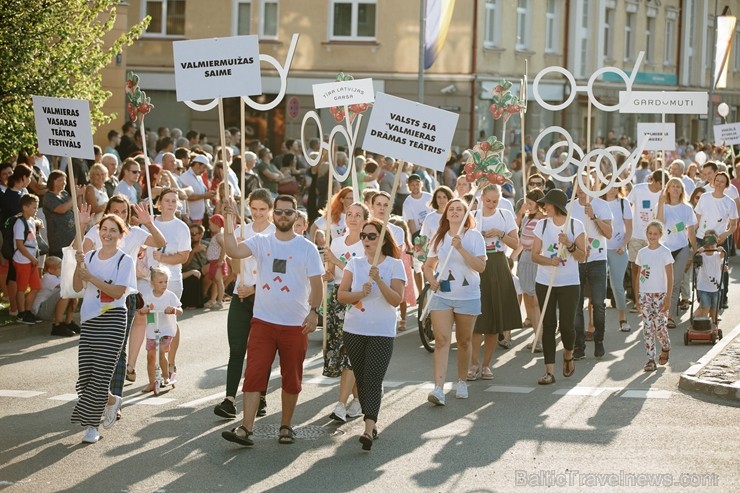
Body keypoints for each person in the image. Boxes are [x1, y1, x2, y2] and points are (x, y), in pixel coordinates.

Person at [221, 194, 323, 447]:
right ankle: (246, 428)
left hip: (294, 324)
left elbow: (317, 283)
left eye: (289, 213)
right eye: (279, 212)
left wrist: (314, 312)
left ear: (296, 215)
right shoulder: (261, 241)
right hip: (263, 322)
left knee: (291, 378)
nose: (283, 217)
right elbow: (233, 250)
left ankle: (286, 426)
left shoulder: (306, 247)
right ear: (272, 214)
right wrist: (228, 218)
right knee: (254, 374)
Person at [337, 219, 405, 451]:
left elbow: (397, 300)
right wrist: (359, 292)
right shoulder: (354, 264)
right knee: (363, 380)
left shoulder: (395, 265)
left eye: (371, 236)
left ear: (383, 239)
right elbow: (341, 296)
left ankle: (367, 429)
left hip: (381, 332)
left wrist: (378, 281)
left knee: (373, 380)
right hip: (354, 330)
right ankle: (372, 422)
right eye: (363, 236)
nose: (366, 240)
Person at [72, 214, 137, 444]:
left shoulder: (124, 260)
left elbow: (118, 292)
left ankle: (91, 426)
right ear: (99, 231)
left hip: (113, 319)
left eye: (113, 230)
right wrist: (79, 266)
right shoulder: (89, 256)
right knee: (86, 376)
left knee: (100, 376)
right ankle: (111, 400)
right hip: (90, 319)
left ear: (121, 235)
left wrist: (91, 276)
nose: (107, 234)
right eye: (104, 229)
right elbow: (77, 286)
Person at [213, 189, 275, 420]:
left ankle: (260, 396)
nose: (258, 214)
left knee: (261, 353)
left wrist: (255, 288)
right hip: (240, 296)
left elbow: (275, 272)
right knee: (237, 349)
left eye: (262, 209)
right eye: (254, 209)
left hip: (264, 299)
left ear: (269, 210)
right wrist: (229, 218)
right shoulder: (242, 231)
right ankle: (230, 399)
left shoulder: (275, 234)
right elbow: (231, 251)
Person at [422, 198, 486, 405]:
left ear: (467, 214)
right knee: (441, 341)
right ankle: (438, 388)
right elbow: (428, 265)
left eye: (460, 209)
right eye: (452, 209)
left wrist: (460, 248)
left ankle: (461, 381)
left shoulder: (474, 236)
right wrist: (431, 279)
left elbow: (480, 267)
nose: (455, 212)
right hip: (442, 295)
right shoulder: (438, 238)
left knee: (464, 341)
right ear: (446, 214)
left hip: (468, 296)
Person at [531, 189, 587, 385]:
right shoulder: (541, 225)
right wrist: (549, 261)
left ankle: (568, 355)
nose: (544, 207)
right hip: (545, 281)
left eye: (547, 203)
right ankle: (549, 371)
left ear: (556, 205)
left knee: (566, 325)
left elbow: (583, 256)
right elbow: (534, 255)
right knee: (548, 325)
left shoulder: (575, 224)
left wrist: (569, 244)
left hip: (569, 282)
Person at [469, 185, 520, 380]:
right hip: (477, 265)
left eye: (495, 201)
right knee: (477, 318)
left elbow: (516, 244)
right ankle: (473, 363)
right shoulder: (472, 215)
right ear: (481, 198)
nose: (491, 204)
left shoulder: (505, 215)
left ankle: (486, 365)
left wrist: (500, 233)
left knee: (494, 319)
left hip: (498, 263)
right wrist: (478, 236)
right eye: (488, 200)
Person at [325, 203, 368, 422]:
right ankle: (359, 399)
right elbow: (332, 275)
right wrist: (326, 273)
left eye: (358, 215)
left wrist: (337, 262)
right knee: (343, 353)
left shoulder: (367, 244)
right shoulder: (337, 241)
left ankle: (341, 404)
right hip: (338, 299)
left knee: (351, 352)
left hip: (357, 301)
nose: (352, 218)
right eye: (349, 214)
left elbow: (360, 276)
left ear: (364, 219)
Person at [569, 176, 613, 360]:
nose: (581, 188)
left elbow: (609, 233)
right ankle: (579, 345)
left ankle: (599, 340)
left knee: (598, 304)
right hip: (576, 261)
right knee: (576, 306)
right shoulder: (568, 206)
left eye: (585, 184)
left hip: (598, 260)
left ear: (592, 185)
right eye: (577, 184)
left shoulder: (602, 205)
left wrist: (594, 216)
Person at [656, 178, 697, 329]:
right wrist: (660, 204)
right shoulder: (662, 206)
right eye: (673, 186)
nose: (675, 189)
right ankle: (660, 313)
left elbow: (690, 230)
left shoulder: (687, 208)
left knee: (675, 283)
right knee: (663, 283)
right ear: (668, 189)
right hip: (664, 249)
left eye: (678, 187)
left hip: (681, 248)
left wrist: (695, 248)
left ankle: (670, 316)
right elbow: (659, 224)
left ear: (682, 190)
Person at [634, 221, 673, 372]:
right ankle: (650, 359)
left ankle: (666, 345)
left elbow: (670, 276)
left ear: (660, 235)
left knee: (660, 326)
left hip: (660, 294)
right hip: (645, 295)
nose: (652, 236)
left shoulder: (665, 252)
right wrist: (638, 297)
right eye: (650, 233)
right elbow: (639, 275)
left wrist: (668, 297)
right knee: (648, 327)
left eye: (655, 234)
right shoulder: (642, 253)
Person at [138, 267, 182, 392]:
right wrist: (143, 311)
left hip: (166, 329)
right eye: (160, 282)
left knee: (161, 351)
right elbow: (141, 310)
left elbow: (180, 310)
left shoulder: (170, 296)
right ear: (152, 283)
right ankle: (152, 382)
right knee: (151, 355)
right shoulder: (148, 296)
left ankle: (165, 375)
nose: (164, 285)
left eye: (166, 282)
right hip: (153, 330)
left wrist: (173, 309)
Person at [627, 170, 666, 311]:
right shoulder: (638, 189)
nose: (662, 186)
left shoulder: (664, 194)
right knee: (636, 268)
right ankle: (636, 299)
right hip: (637, 235)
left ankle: (650, 299)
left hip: (654, 238)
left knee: (653, 270)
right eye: (660, 183)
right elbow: (627, 205)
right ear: (653, 180)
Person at [602, 179, 633, 332]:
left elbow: (629, 228)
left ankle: (623, 318)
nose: (612, 190)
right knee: (597, 287)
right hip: (600, 250)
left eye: (615, 187)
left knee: (617, 286)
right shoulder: (598, 202)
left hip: (618, 249)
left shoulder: (623, 203)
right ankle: (595, 323)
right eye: (609, 187)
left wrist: (623, 244)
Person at [13, 194, 42, 325]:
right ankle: (21, 313)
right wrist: (31, 258)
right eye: (34, 207)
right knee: (21, 288)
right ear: (25, 207)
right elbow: (19, 244)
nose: (36, 210)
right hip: (22, 260)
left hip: (31, 260)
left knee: (36, 287)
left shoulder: (31, 220)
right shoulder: (20, 222)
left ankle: (28, 311)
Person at [43, 170, 83, 259]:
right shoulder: (48, 197)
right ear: (53, 181)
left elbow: (74, 206)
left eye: (65, 180)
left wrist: (79, 195)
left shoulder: (64, 194)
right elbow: (62, 209)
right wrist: (74, 195)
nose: (64, 182)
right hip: (59, 242)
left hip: (72, 239)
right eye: (61, 180)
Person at [694, 231, 724, 328]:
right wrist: (699, 250)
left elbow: (723, 255)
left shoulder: (717, 255)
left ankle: (714, 326)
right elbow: (695, 257)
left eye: (712, 247)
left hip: (716, 288)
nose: (710, 249)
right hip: (703, 287)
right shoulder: (702, 255)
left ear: (716, 245)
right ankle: (704, 326)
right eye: (707, 247)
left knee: (714, 310)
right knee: (705, 307)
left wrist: (721, 249)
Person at [203, 214, 227, 310]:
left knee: (219, 282)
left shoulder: (219, 236)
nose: (209, 227)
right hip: (214, 261)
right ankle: (214, 300)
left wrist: (221, 260)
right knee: (216, 281)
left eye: (211, 224)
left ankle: (219, 301)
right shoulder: (217, 235)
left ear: (217, 224)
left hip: (217, 262)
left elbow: (224, 247)